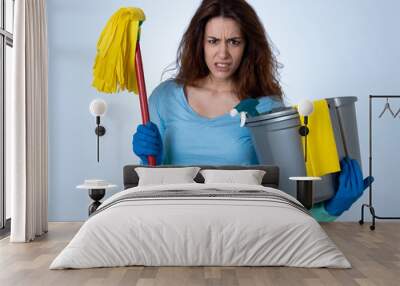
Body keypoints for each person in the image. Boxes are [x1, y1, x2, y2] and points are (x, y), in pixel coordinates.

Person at [132, 0, 371, 221]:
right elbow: (153, 185)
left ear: (248, 46)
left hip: (244, 228)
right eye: (213, 41)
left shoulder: (267, 110)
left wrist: (331, 209)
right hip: (174, 222)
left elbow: (286, 202)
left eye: (234, 42)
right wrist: (149, 160)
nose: (223, 54)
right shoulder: (164, 98)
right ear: (200, 43)